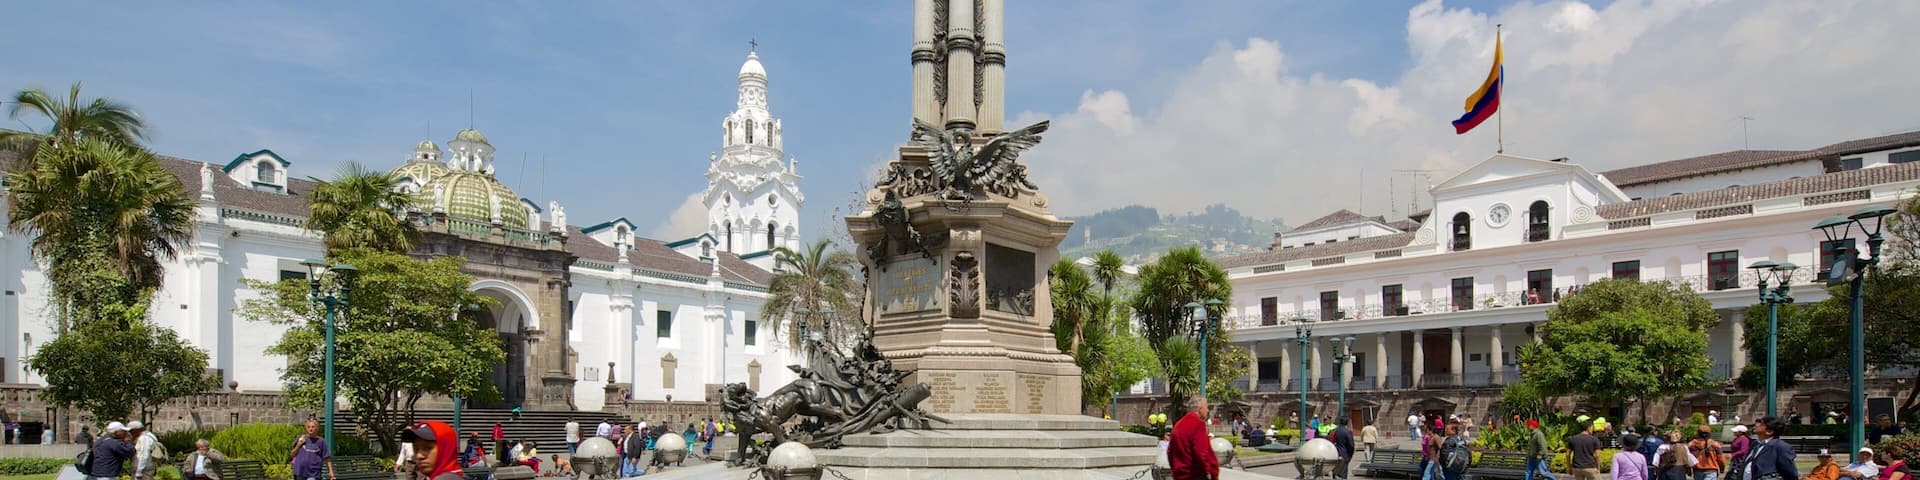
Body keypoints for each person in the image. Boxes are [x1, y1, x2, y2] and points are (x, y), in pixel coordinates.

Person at [1167, 395, 1220, 480]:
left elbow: (1170, 451)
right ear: (1200, 409)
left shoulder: (1178, 424)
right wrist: (1210, 472)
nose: (1207, 410)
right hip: (1195, 474)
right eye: (1206, 407)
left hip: (1180, 475)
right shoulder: (1198, 424)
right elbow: (1201, 453)